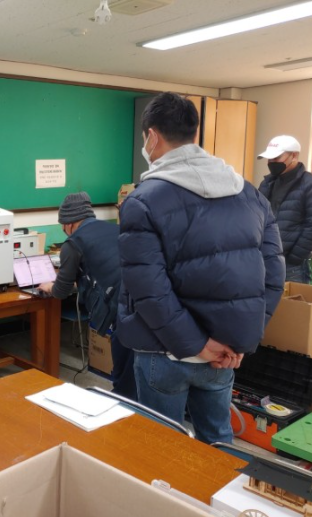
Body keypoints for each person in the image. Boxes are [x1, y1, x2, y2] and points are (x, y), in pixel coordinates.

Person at [116, 92, 285, 444]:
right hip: (225, 354)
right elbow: (273, 276)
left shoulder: (142, 201)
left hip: (163, 352)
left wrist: (197, 344)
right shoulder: (251, 195)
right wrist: (239, 341)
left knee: (164, 445)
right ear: (194, 134)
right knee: (219, 442)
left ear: (152, 137)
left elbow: (149, 290)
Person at [38, 192, 136, 400]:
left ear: (69, 223)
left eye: (62, 226)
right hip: (141, 297)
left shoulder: (73, 243)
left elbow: (61, 291)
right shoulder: (115, 229)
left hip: (121, 307)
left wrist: (49, 286)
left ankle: (126, 406)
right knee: (135, 365)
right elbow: (105, 267)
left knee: (124, 377)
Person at [257, 135, 312, 283]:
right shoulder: (267, 183)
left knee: (292, 299)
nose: (271, 163)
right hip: (264, 259)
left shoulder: (308, 184)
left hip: (292, 267)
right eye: (269, 159)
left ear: (294, 156)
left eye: (276, 158)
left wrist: (295, 257)